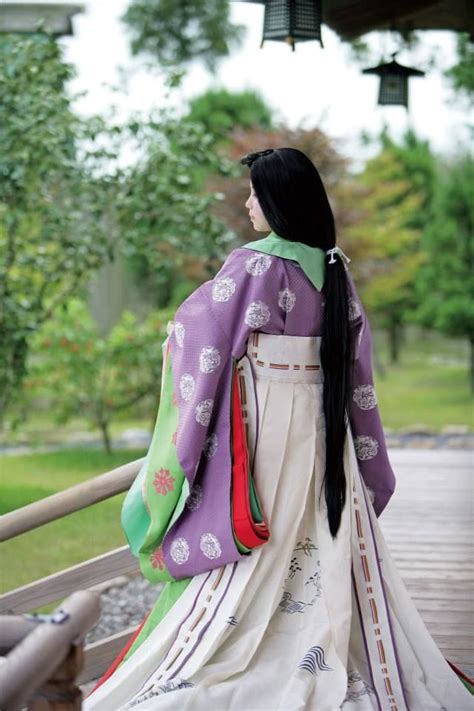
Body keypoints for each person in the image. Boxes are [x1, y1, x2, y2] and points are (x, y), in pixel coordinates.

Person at [84, 148, 472, 710]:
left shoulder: (255, 265)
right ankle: (317, 641)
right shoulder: (334, 267)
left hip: (267, 428)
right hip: (325, 431)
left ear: (280, 202)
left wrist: (174, 341)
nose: (246, 204)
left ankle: (259, 644)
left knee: (266, 533)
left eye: (254, 194)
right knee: (317, 529)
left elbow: (204, 340)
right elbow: (357, 370)